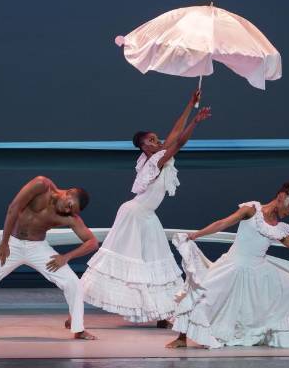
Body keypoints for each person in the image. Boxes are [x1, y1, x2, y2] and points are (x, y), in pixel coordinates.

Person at [166, 182, 289, 348]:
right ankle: (182, 338)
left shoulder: (279, 229)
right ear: (282, 196)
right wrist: (197, 234)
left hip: (260, 272)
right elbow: (223, 223)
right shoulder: (251, 210)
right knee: (202, 294)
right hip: (232, 265)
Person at [81, 89, 211, 328]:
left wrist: (189, 105)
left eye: (155, 138)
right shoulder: (155, 162)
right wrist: (195, 121)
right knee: (120, 265)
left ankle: (163, 313)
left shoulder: (156, 155)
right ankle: (75, 310)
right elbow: (179, 141)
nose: (156, 141)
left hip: (147, 217)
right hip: (133, 216)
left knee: (156, 263)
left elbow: (173, 131)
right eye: (150, 141)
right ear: (144, 148)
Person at [0, 176, 98, 340]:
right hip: (11, 245)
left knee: (73, 283)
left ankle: (78, 329)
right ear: (69, 192)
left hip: (38, 248)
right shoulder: (41, 185)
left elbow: (92, 242)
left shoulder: (69, 217)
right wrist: (4, 242)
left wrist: (66, 257)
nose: (67, 211)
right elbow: (13, 208)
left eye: (71, 211)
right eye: (70, 206)